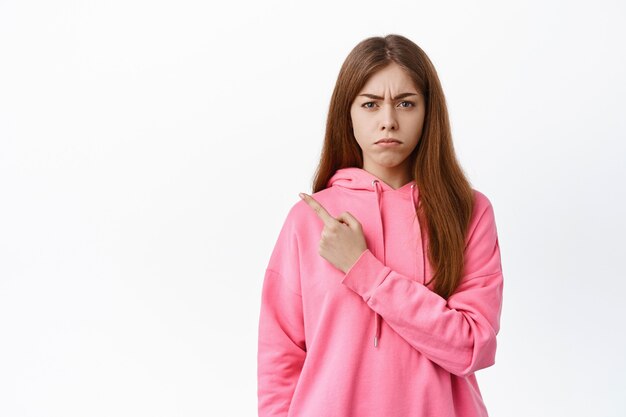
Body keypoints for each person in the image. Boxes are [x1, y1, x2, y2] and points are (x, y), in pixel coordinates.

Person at [257, 33, 504, 417]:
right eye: (370, 104)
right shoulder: (309, 220)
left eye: (406, 103)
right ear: (348, 113)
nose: (388, 121)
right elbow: (279, 360)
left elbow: (473, 346)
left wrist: (365, 272)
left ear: (428, 112)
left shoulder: (467, 211)